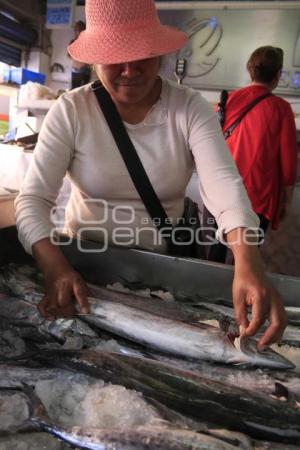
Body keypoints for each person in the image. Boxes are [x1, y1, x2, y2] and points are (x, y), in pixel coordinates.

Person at [15, 0, 287, 350]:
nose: (130, 70)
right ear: (95, 57)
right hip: (82, 269)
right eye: (115, 55)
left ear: (159, 52)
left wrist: (248, 261)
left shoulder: (188, 108)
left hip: (161, 273)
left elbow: (224, 186)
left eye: (141, 53)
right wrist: (54, 267)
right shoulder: (72, 110)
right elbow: (33, 200)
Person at [222, 46, 297, 234]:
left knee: (218, 243)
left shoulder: (228, 100)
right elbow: (288, 164)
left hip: (224, 188)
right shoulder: (281, 109)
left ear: (250, 69)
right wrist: (286, 200)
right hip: (258, 195)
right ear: (278, 73)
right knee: (248, 249)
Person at [68, 20, 92, 89]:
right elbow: (69, 56)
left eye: (80, 30)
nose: (77, 32)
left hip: (84, 71)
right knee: (73, 91)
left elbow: (91, 58)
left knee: (82, 92)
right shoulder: (72, 42)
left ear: (84, 30)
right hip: (74, 71)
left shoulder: (88, 42)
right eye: (76, 30)